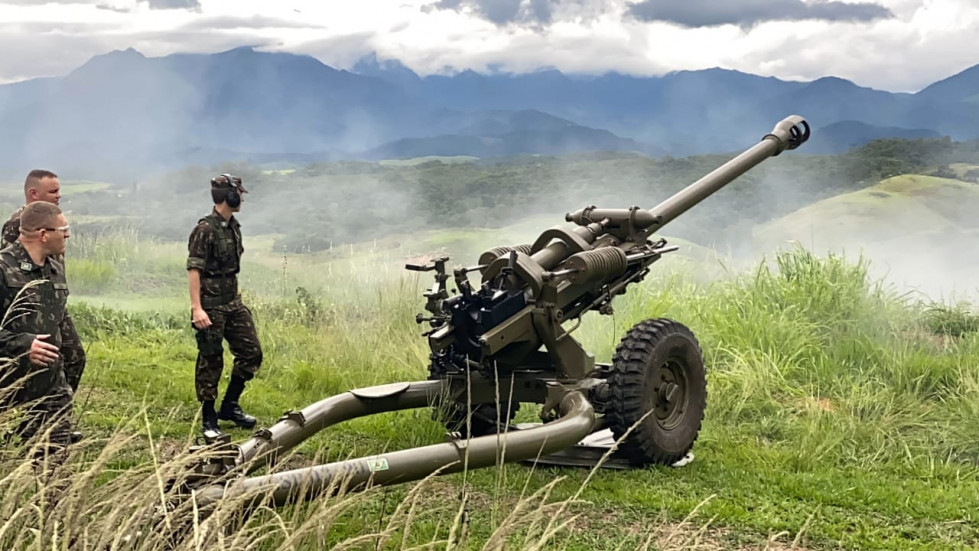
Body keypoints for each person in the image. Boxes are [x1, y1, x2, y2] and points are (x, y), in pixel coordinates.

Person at [187, 174, 262, 436]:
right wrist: (197, 308)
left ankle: (229, 406)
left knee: (251, 352)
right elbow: (194, 270)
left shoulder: (232, 226)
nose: (241, 198)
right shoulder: (205, 229)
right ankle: (209, 419)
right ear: (228, 196)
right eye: (238, 193)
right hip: (210, 304)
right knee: (211, 360)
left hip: (232, 302)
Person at [1, 170, 86, 397]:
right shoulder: (18, 225)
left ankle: (60, 406)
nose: (59, 196)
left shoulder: (55, 226)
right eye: (53, 191)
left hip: (50, 296)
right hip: (23, 305)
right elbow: (14, 266)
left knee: (73, 355)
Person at [0, 202, 74, 459]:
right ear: (43, 234)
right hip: (7, 382)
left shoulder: (55, 268)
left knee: (53, 466)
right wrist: (22, 344)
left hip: (49, 386)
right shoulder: (2, 268)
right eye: (63, 229)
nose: (67, 235)